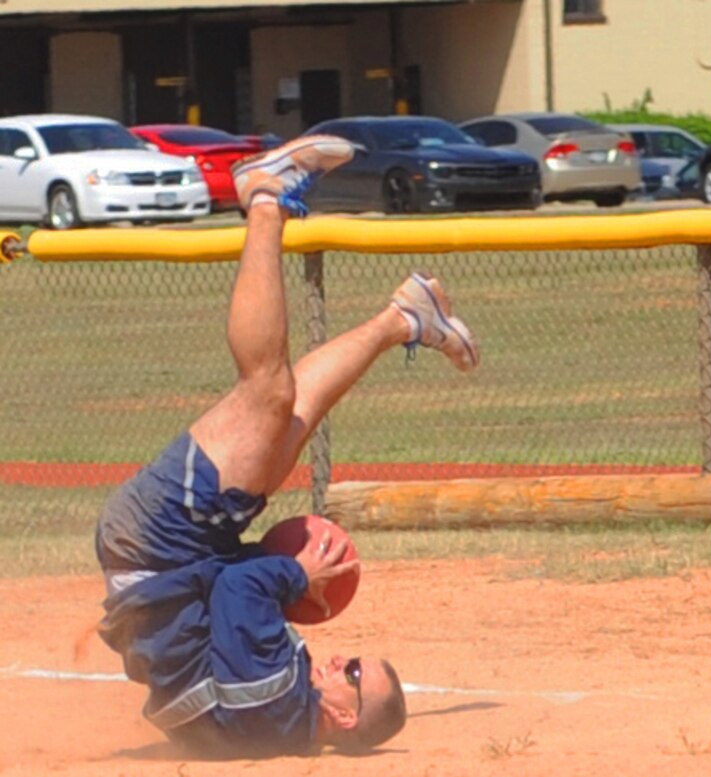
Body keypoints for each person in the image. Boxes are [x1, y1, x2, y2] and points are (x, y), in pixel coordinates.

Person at [94, 134, 480, 755]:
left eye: (352, 674)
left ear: (345, 717)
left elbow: (240, 591)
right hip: (170, 560)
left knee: (268, 391)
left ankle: (265, 195)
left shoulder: (274, 697)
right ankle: (405, 319)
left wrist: (296, 576)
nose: (339, 661)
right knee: (287, 423)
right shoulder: (279, 722)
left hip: (161, 543)